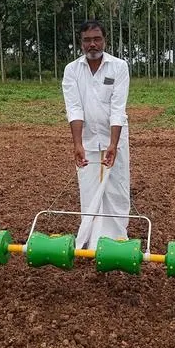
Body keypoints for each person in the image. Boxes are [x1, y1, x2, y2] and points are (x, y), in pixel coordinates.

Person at [61, 19, 131, 250]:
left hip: (115, 137)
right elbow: (74, 108)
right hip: (87, 138)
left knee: (116, 187)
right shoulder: (72, 70)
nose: (92, 44)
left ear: (105, 40)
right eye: (87, 40)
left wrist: (113, 143)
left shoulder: (118, 67)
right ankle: (91, 242)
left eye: (97, 39)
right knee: (89, 188)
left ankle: (116, 241)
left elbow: (117, 108)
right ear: (81, 43)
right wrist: (77, 144)